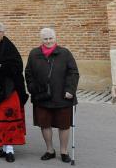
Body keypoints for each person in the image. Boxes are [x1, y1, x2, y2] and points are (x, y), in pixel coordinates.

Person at [25, 28, 79, 163]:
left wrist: (70, 90)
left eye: (50, 38)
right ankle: (50, 150)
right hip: (42, 96)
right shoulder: (34, 53)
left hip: (62, 96)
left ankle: (64, 151)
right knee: (45, 124)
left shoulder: (64, 53)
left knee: (64, 125)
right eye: (45, 39)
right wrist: (32, 88)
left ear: (55, 38)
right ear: (41, 40)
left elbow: (73, 72)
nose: (48, 41)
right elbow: (28, 73)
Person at [0, 20, 27, 163]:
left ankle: (9, 150)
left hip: (9, 89)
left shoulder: (9, 46)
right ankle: (3, 148)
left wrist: (1, 66)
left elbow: (17, 65)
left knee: (8, 119)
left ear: (3, 32)